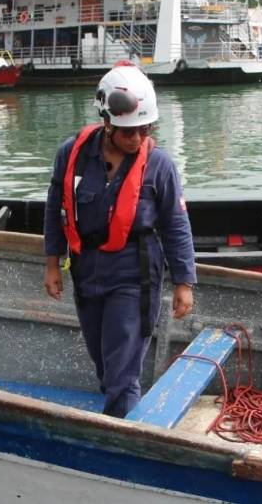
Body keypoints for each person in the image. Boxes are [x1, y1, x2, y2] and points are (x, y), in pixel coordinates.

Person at [44, 63, 196, 418]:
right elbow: (55, 210)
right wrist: (52, 263)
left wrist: (184, 281)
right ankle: (118, 411)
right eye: (129, 131)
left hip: (134, 274)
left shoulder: (159, 166)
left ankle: (121, 433)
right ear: (107, 122)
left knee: (123, 368)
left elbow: (176, 224)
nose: (137, 139)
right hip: (87, 272)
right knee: (103, 358)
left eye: (144, 130)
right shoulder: (72, 154)